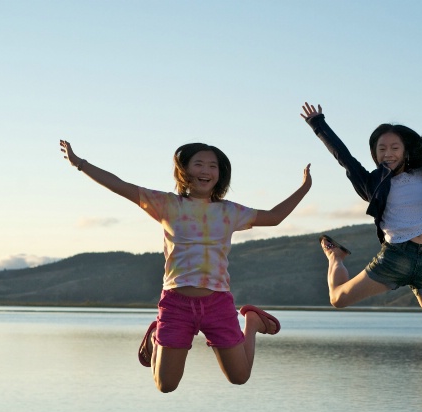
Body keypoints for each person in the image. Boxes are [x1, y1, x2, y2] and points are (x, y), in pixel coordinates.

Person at [60, 140, 312, 392]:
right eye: (199, 164)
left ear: (220, 174)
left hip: (217, 303)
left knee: (239, 377)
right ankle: (155, 334)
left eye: (213, 166)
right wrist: (80, 163)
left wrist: (304, 188)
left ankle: (253, 322)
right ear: (184, 170)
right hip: (176, 303)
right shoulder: (166, 204)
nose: (206, 170)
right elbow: (120, 186)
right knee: (165, 385)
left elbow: (275, 217)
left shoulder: (230, 211)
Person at [300, 102, 422, 336]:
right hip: (396, 258)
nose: (388, 153)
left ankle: (415, 283)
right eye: (381, 149)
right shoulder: (373, 183)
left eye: (394, 148)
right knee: (337, 299)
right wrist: (318, 123)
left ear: (405, 150)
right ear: (375, 153)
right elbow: (343, 156)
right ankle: (335, 256)